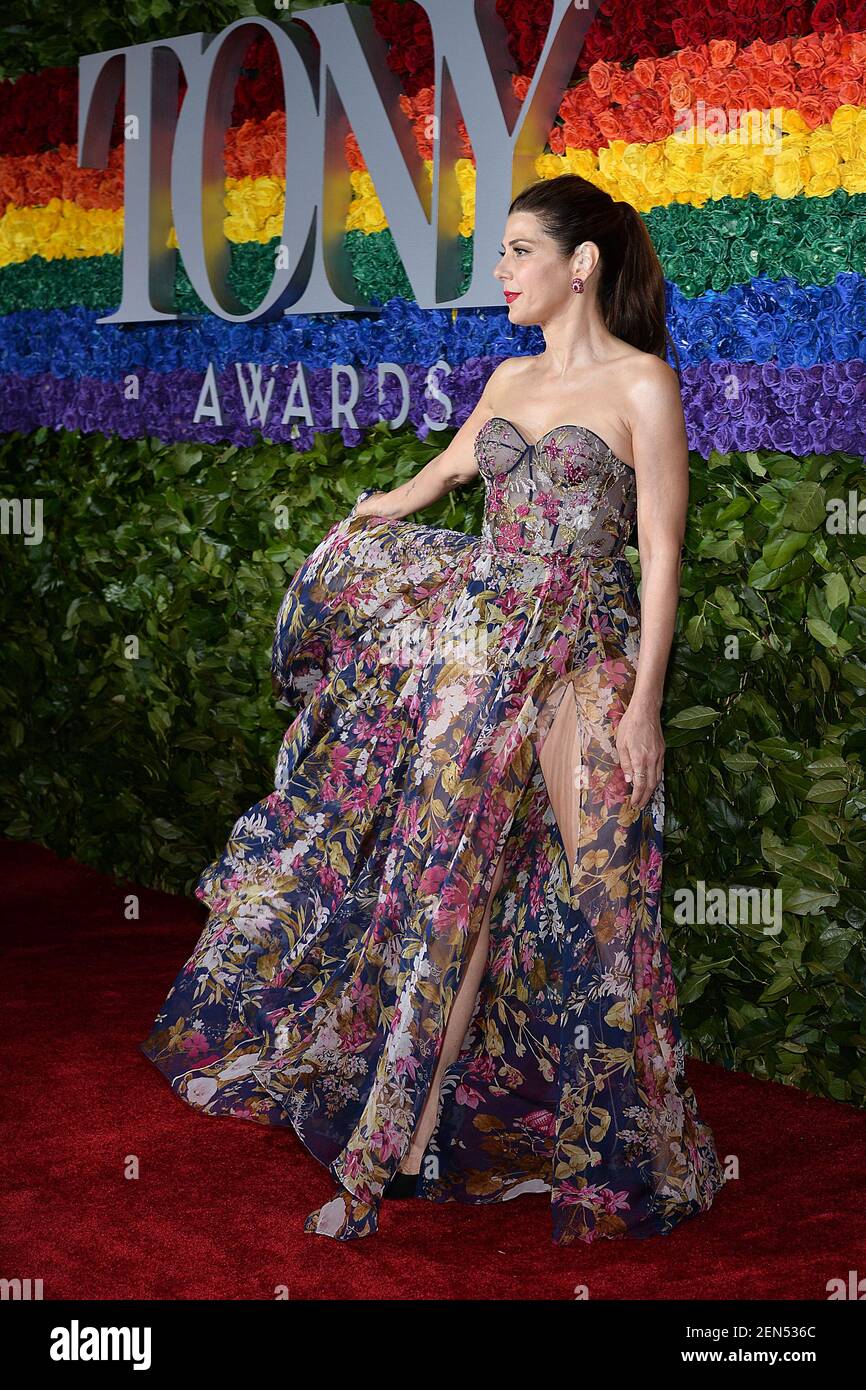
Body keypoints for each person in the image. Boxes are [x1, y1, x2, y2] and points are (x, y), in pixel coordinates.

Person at [140, 173, 726, 1245]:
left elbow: (660, 557)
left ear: (577, 264)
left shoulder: (643, 385)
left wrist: (642, 705)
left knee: (608, 908)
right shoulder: (504, 376)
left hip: (582, 661)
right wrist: (365, 525)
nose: (497, 272)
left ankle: (630, 1159)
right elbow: (436, 480)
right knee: (442, 905)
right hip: (479, 659)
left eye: (513, 252)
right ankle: (384, 1160)